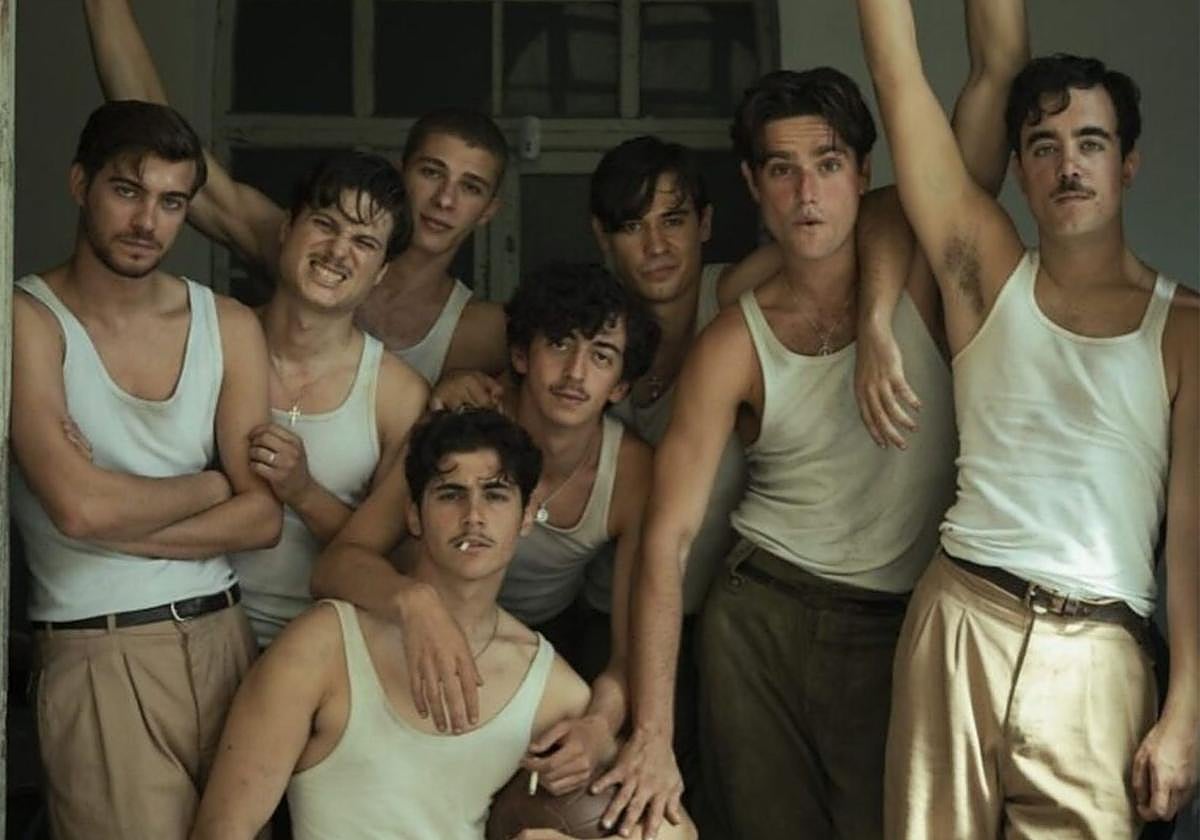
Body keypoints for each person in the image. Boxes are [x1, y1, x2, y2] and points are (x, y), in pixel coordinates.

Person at [856, 0, 1198, 836]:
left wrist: (1186, 708)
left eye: (1091, 143)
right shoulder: (985, 272)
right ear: (1017, 170)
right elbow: (898, 79)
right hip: (961, 617)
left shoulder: (1186, 327)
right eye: (1044, 147)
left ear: (1128, 165)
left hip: (1101, 653)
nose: (1068, 165)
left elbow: (1192, 538)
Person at [190, 408, 695, 840]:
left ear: (526, 517)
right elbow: (223, 828)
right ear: (414, 515)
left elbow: (676, 832)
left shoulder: (546, 687)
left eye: (495, 495)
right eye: (451, 494)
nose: (473, 515)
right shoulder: (324, 645)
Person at [9, 100, 282, 839]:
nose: (146, 222)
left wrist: (120, 520)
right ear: (80, 185)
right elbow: (79, 510)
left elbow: (263, 517)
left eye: (171, 202)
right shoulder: (27, 320)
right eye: (127, 191)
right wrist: (213, 483)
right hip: (97, 647)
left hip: (225, 637)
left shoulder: (228, 324)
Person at [315, 263, 660, 798]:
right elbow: (336, 565)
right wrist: (414, 603)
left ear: (620, 386)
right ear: (520, 355)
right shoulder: (465, 426)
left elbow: (628, 651)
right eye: (559, 344)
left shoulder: (630, 472)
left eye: (601, 356)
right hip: (415, 623)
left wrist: (599, 725)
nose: (575, 373)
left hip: (545, 637)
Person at [84, 0, 508, 384]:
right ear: (401, 172)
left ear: (489, 210)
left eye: (470, 187)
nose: (445, 200)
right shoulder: (307, 250)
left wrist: (460, 388)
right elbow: (157, 134)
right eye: (432, 172)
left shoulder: (486, 332)